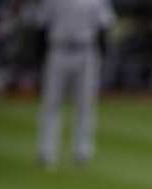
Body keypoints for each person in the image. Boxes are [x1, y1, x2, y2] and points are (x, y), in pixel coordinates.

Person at [35, 0, 116, 168]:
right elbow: (41, 26)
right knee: (51, 104)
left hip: (86, 51)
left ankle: (82, 152)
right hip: (58, 49)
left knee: (85, 105)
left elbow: (104, 28)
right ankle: (46, 151)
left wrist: (101, 56)